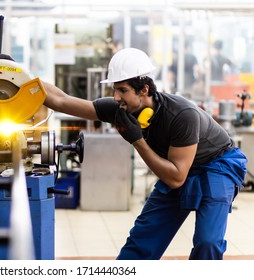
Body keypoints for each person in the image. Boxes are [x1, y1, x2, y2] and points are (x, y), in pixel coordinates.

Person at [42, 47, 247, 260]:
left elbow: (176, 178)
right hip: (176, 167)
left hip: (216, 165)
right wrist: (20, 77)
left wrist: (137, 140)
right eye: (115, 89)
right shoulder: (121, 110)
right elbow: (62, 101)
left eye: (122, 90)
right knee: (142, 242)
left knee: (208, 242)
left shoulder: (181, 115)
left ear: (144, 89)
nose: (116, 97)